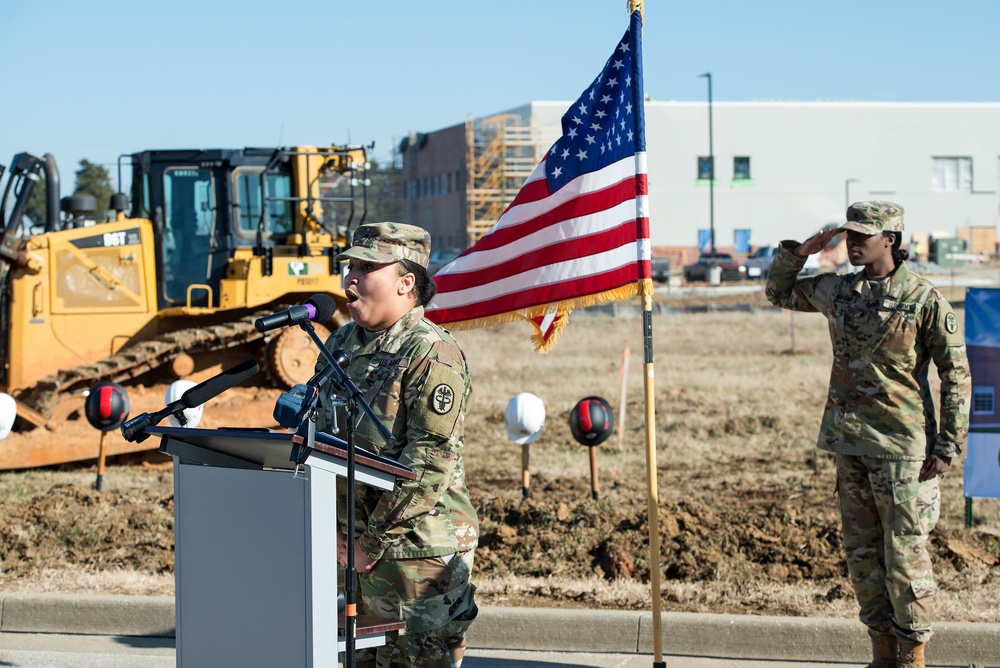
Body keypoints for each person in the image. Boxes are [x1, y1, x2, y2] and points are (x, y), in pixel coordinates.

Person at [765, 202, 971, 668]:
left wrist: (948, 445)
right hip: (850, 444)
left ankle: (912, 657)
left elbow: (955, 374)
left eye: (863, 235)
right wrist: (802, 252)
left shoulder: (923, 299)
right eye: (847, 234)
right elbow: (777, 292)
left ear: (891, 240)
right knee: (862, 558)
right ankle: (881, 655)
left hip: (903, 450)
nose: (852, 243)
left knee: (904, 557)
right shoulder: (840, 291)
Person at [316, 222, 478, 668]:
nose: (350, 279)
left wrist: (370, 542)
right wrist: (328, 528)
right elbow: (317, 437)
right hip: (346, 549)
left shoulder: (430, 352)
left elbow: (428, 465)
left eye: (366, 268)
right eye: (349, 266)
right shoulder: (340, 343)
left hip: (412, 556)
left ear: (407, 283)